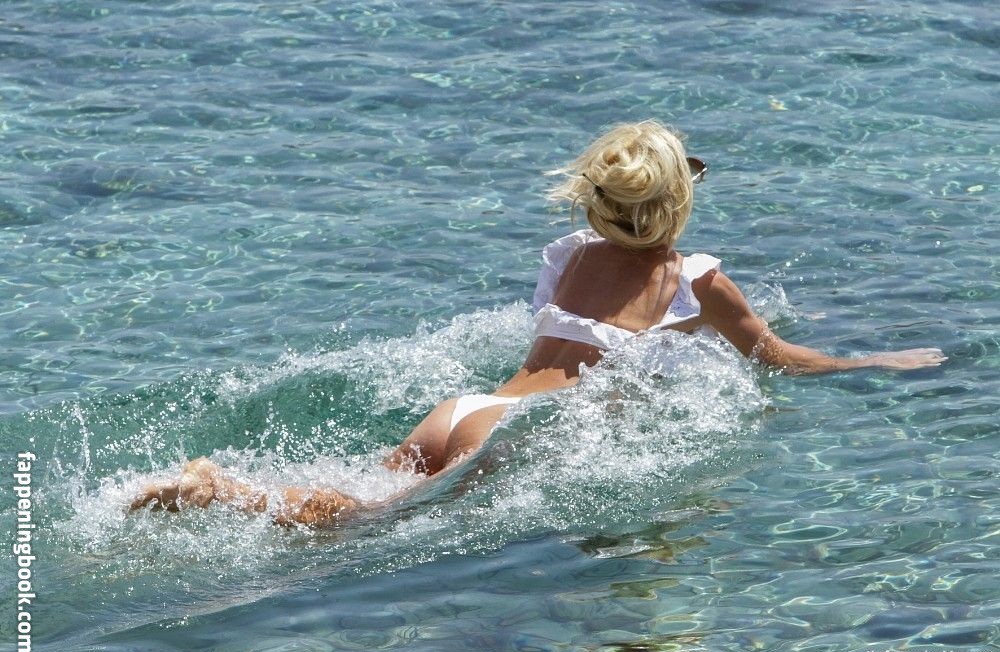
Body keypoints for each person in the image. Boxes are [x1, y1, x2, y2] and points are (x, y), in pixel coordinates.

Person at [129, 120, 946, 527]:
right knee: (360, 523)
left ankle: (227, 489)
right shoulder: (696, 279)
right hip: (517, 431)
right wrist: (873, 363)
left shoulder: (571, 253)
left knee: (364, 486)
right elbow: (776, 356)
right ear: (680, 202)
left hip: (467, 406)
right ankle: (220, 491)